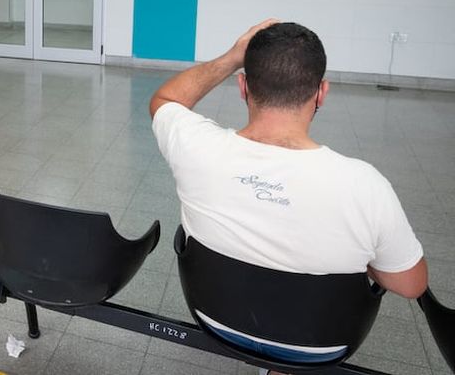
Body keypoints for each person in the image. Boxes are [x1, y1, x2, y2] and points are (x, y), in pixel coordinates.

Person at [149, 20, 427, 369]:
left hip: (214, 318)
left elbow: (166, 99)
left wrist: (234, 56)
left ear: (243, 87)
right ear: (321, 93)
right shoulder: (365, 185)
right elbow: (411, 284)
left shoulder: (196, 147)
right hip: (322, 344)